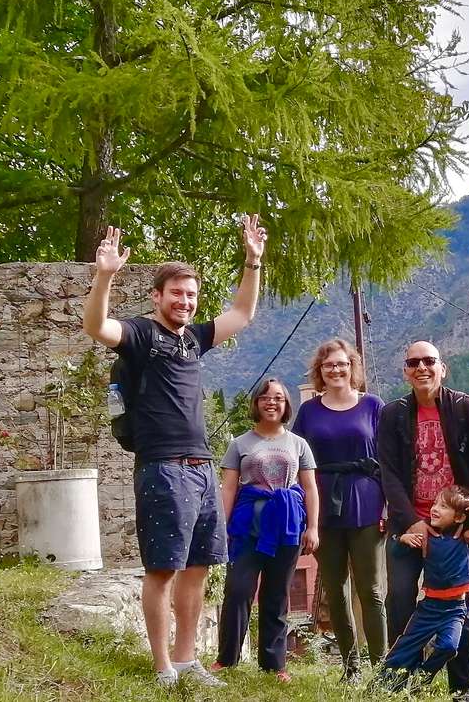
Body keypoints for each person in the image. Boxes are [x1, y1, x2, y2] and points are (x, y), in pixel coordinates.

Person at [82, 215, 267, 688]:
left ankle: (187, 661)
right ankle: (162, 666)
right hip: (162, 467)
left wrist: (253, 261)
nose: (184, 302)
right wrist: (104, 275)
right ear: (157, 296)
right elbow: (97, 326)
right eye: (176, 294)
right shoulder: (143, 335)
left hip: (201, 465)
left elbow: (242, 314)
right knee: (163, 570)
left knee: (199, 569)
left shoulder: (193, 339)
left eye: (191, 296)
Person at [377, 340, 469, 702]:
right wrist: (412, 521)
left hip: (457, 530)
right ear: (405, 371)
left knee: (465, 607)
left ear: (443, 367)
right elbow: (390, 474)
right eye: (413, 362)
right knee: (399, 600)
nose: (421, 368)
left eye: (429, 361)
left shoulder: (466, 408)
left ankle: (463, 687)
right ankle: (401, 681)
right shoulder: (393, 414)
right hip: (410, 525)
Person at [293, 337, 386, 678]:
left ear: (352, 367)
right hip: (322, 504)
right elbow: (298, 461)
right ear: (320, 370)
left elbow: (388, 459)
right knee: (335, 588)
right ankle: (352, 668)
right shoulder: (308, 411)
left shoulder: (373, 405)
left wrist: (389, 507)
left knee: (371, 589)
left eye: (342, 364)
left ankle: (381, 668)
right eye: (329, 365)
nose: (336, 369)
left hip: (367, 502)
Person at [219, 377, 319, 680]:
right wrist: (221, 528)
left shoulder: (298, 444)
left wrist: (312, 527)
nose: (271, 402)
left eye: (278, 397)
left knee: (277, 596)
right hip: (247, 525)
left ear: (286, 404)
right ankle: (227, 659)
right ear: (256, 403)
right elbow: (228, 489)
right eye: (265, 397)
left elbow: (310, 488)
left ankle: (274, 665)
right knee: (237, 590)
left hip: (287, 527)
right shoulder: (240, 443)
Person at [376, 486, 469, 691]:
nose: (434, 509)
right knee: (405, 646)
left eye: (443, 506)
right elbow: (397, 551)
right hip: (428, 608)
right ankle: (382, 687)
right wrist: (402, 539)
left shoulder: (464, 535)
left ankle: (421, 679)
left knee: (449, 647)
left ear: (459, 517)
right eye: (435, 503)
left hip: (455, 610)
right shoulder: (427, 534)